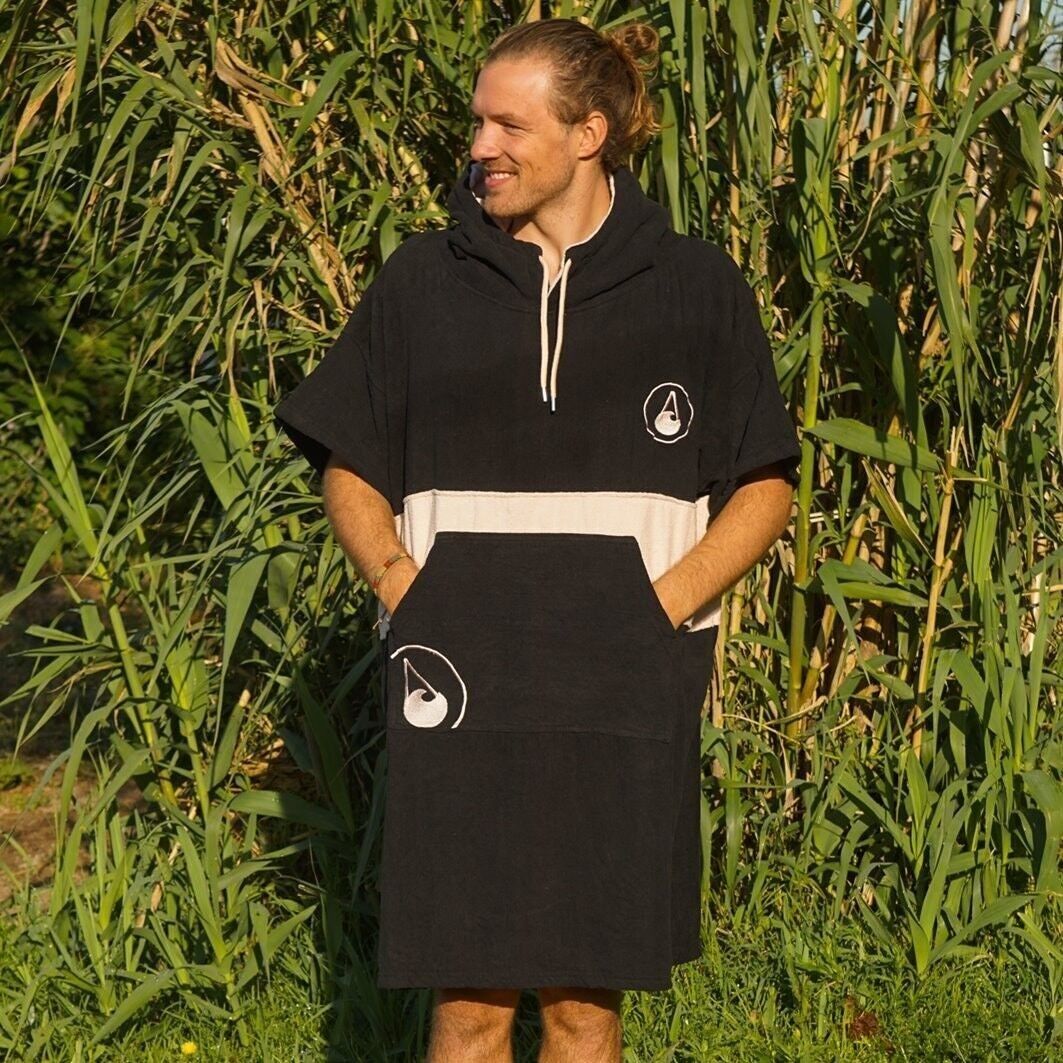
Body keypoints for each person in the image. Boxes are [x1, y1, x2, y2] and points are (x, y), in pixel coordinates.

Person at [274, 16, 801, 1063]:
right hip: (455, 675)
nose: (479, 146)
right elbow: (350, 462)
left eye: (506, 125)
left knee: (581, 1005)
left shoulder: (695, 288)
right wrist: (404, 585)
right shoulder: (421, 283)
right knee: (467, 1002)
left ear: (588, 133)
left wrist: (654, 609)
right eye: (476, 122)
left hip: (624, 679)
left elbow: (763, 485)